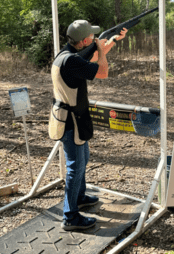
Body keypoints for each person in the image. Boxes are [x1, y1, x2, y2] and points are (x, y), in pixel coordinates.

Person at [48, 19, 128, 231]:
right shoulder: (71, 61)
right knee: (75, 166)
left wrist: (111, 41)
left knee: (83, 160)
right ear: (84, 40)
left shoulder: (66, 55)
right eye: (91, 37)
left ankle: (80, 196)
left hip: (74, 118)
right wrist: (101, 49)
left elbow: (93, 58)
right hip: (71, 121)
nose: (94, 39)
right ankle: (71, 216)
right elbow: (102, 71)